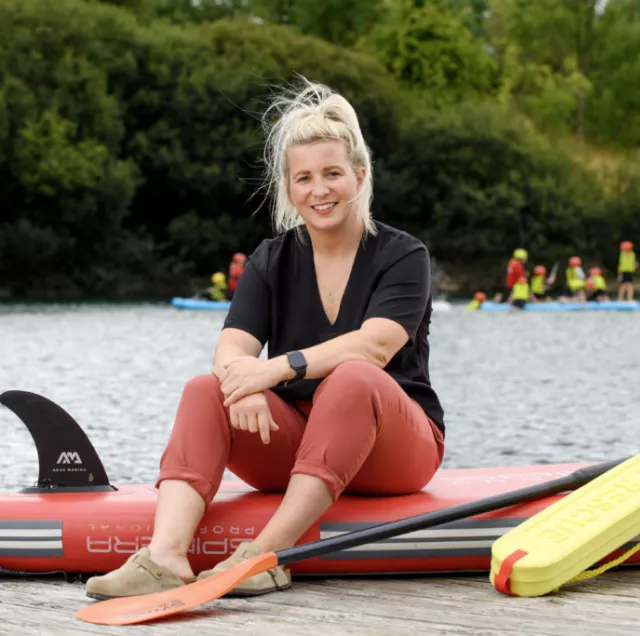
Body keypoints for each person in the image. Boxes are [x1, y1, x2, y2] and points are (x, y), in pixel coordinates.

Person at [85, 80, 445, 600]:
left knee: (353, 378)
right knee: (204, 390)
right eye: (304, 178)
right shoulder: (271, 258)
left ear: (360, 177)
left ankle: (265, 556)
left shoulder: (403, 255)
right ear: (289, 188)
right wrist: (243, 383)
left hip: (396, 447)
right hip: (306, 443)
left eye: (332, 174)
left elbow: (375, 347)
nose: (319, 190)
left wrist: (273, 371)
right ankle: (164, 557)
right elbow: (230, 349)